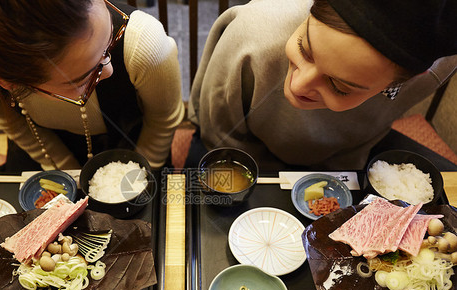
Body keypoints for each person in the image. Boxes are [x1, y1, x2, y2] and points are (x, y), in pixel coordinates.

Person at [188, 0, 457, 171]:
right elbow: (219, 130)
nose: (297, 84)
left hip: (346, 157)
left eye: (340, 86)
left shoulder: (438, 67)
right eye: (304, 49)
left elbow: (369, 131)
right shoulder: (256, 33)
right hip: (239, 153)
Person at [0, 0, 185, 171]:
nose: (111, 69)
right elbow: (9, 120)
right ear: (5, 82)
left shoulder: (144, 42)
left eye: (111, 42)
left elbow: (162, 120)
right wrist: (63, 171)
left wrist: (138, 174)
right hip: (41, 140)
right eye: (84, 76)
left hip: (133, 139)